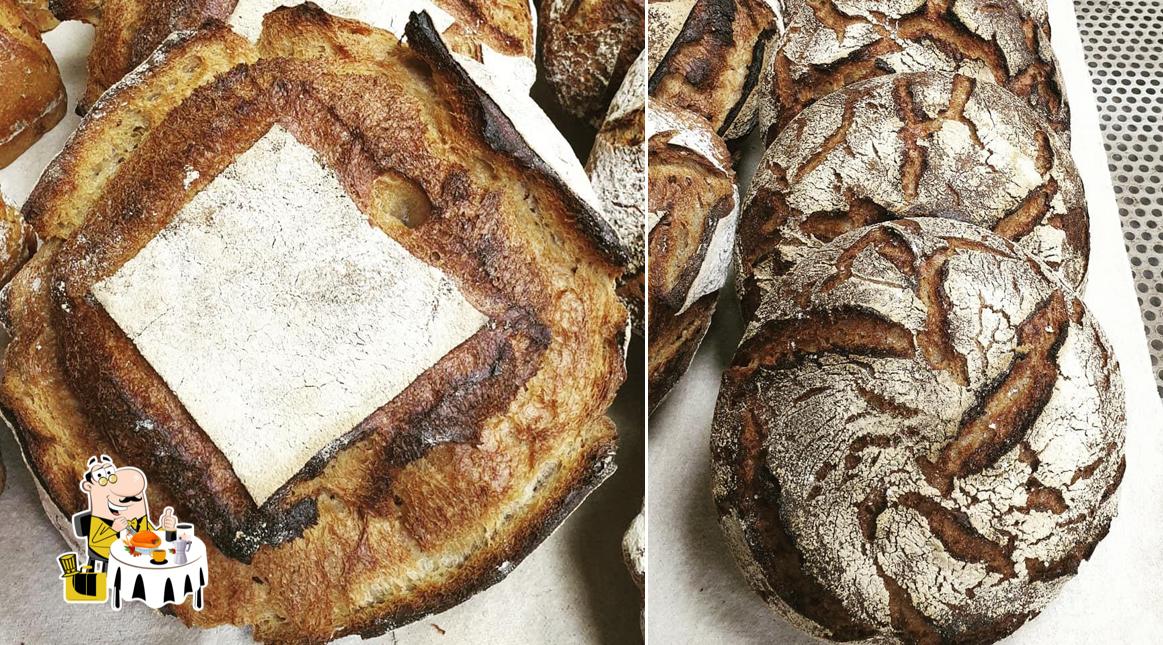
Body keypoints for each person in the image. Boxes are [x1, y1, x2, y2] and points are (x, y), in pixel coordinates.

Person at [71, 455, 177, 567]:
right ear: (89, 486)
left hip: (136, 555)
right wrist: (113, 529)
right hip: (111, 556)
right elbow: (95, 543)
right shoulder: (100, 519)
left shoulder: (138, 519)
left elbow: (151, 537)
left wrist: (166, 529)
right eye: (102, 479)